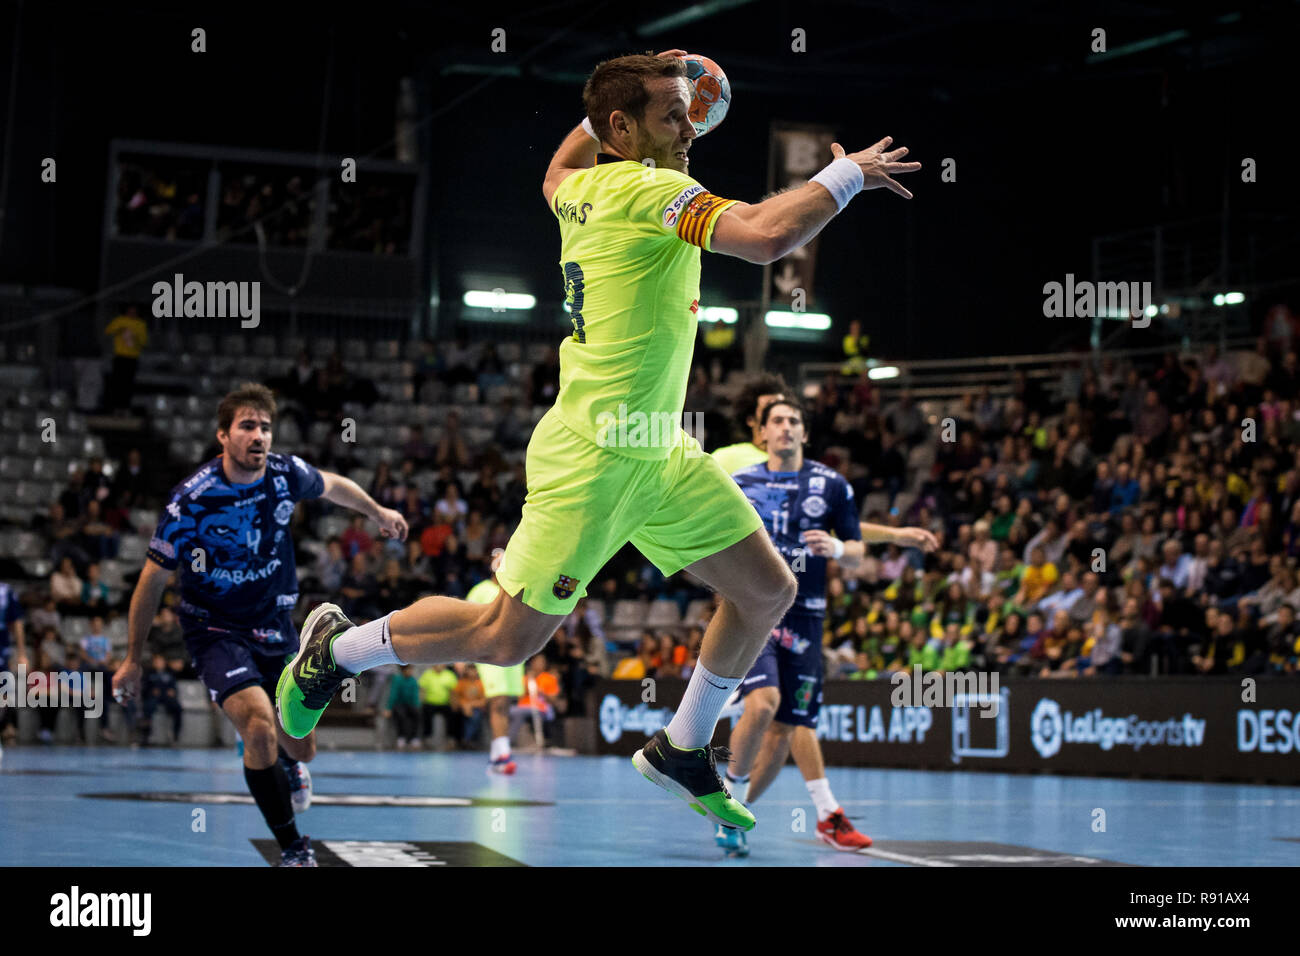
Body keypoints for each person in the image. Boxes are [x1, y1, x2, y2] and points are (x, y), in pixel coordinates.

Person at [277, 50, 918, 834]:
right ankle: (336, 650)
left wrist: (611, 104)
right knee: (503, 639)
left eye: (689, 112)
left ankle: (684, 748)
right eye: (672, 116)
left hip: (658, 449)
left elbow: (555, 166)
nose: (690, 129)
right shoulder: (654, 191)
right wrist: (845, 175)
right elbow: (762, 238)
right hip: (594, 457)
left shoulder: (578, 188)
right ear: (625, 128)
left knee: (766, 590)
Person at [111, 383, 408, 867]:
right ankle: (293, 848)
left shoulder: (285, 475)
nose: (259, 436)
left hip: (274, 624)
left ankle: (291, 767)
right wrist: (132, 658)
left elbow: (332, 484)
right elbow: (151, 581)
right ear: (223, 436)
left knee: (302, 746)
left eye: (265, 427)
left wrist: (377, 511)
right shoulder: (191, 501)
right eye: (247, 426)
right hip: (214, 629)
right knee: (259, 728)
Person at [714, 398, 937, 856]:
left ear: (805, 433)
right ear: (762, 433)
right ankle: (743, 801)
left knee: (785, 731)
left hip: (808, 615)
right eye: (776, 421)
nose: (786, 428)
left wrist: (839, 549)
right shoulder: (739, 483)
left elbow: (855, 550)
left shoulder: (831, 484)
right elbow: (714, 542)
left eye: (794, 421)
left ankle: (734, 810)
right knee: (763, 704)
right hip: (756, 611)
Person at [462, 550, 522, 773]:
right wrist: (464, 658)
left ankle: (497, 755)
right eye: (497, 560)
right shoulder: (479, 591)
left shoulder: (514, 591)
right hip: (488, 654)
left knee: (504, 703)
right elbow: (465, 624)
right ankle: (502, 754)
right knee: (497, 701)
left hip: (514, 654)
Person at [103, 304, 149, 413]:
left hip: (132, 358)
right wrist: (120, 328)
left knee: (128, 384)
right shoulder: (120, 320)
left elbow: (144, 341)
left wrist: (135, 335)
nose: (132, 313)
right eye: (130, 311)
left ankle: (125, 407)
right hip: (120, 357)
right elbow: (108, 331)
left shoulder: (140, 324)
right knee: (117, 383)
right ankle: (115, 407)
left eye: (134, 311)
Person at [382, 664, 421, 749]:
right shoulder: (397, 679)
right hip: (399, 704)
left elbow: (415, 696)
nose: (411, 671)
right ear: (403, 670)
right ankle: (401, 737)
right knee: (400, 715)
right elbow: (393, 694)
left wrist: (417, 706)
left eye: (411, 669)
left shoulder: (413, 680)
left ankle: (414, 738)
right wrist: (388, 708)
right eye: (409, 669)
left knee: (417, 714)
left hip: (410, 704)